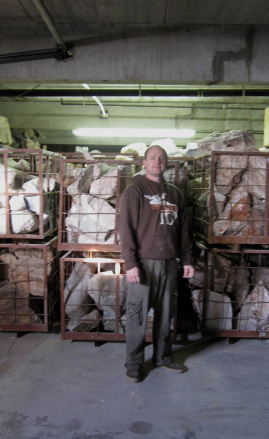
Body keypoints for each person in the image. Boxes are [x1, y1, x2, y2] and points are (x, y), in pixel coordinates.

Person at [118, 145, 195, 383]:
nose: (157, 162)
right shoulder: (135, 190)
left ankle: (163, 356)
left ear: (167, 163)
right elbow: (126, 229)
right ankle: (134, 363)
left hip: (169, 264)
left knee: (165, 315)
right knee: (137, 315)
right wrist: (131, 264)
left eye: (161, 159)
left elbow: (184, 231)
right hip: (144, 265)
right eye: (152, 158)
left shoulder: (175, 194)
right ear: (144, 162)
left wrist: (188, 260)